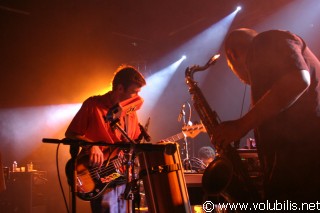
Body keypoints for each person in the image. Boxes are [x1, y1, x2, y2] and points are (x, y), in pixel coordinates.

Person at [213, 28, 320, 203]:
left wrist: (240, 126)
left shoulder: (264, 40)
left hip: (305, 178)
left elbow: (298, 80)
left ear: (232, 55)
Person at [65, 65, 146, 213]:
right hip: (100, 176)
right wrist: (91, 145)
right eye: (134, 93)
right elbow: (71, 133)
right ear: (120, 88)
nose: (137, 98)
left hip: (123, 177)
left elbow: (133, 144)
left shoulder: (130, 112)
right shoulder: (93, 105)